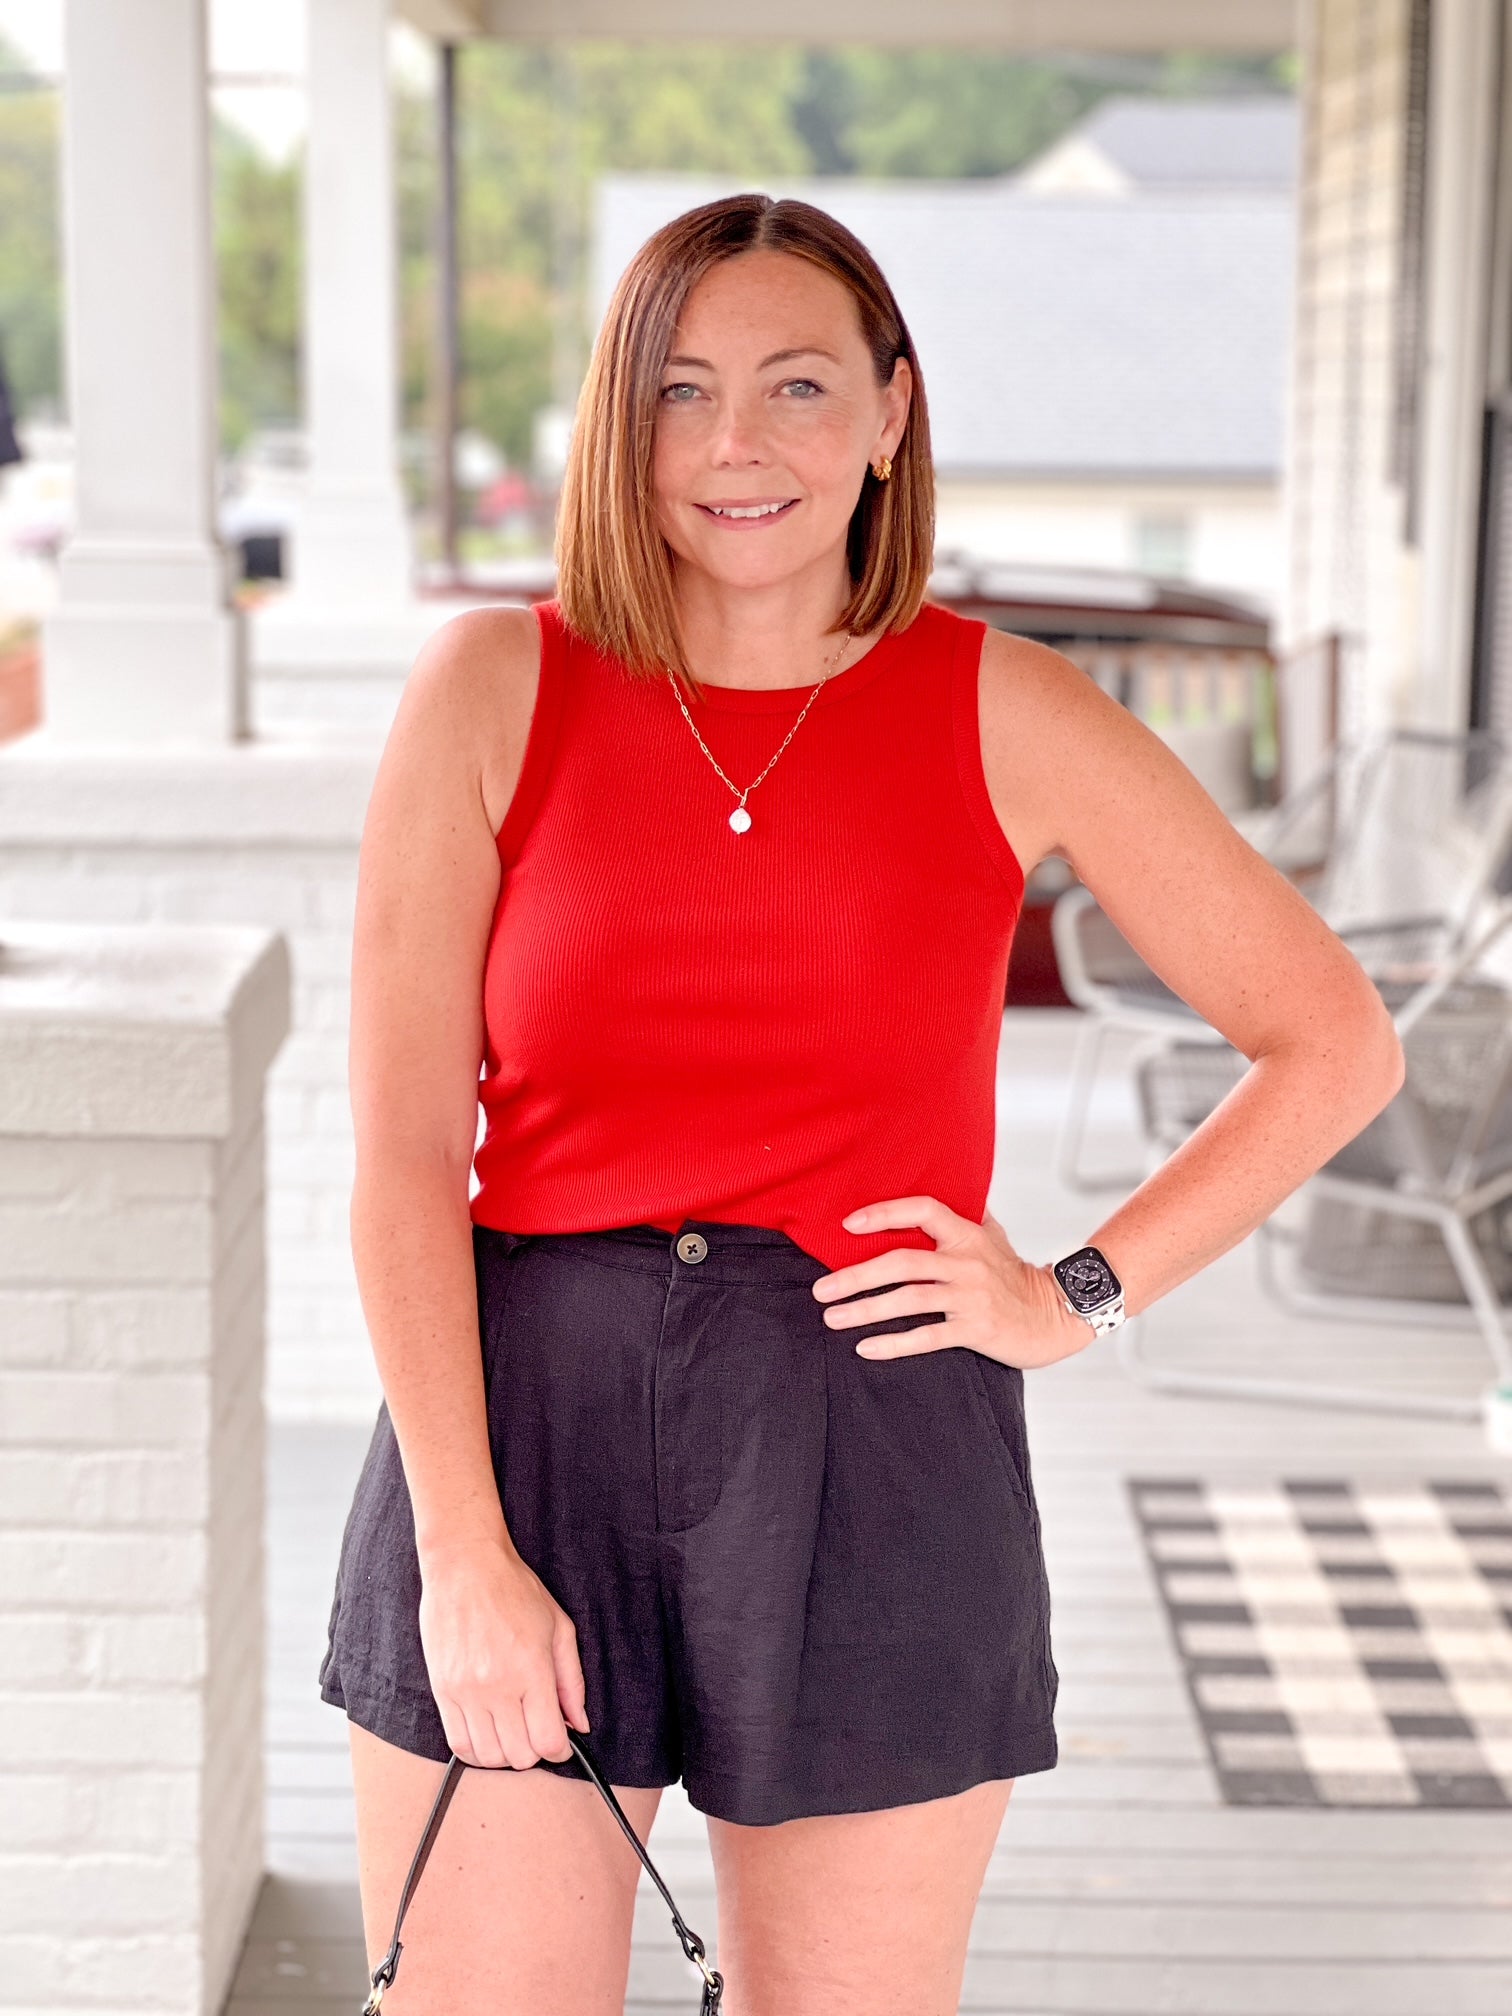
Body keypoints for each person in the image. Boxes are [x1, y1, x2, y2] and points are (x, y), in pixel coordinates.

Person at [317, 192, 1406, 2014]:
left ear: (892, 411)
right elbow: (405, 1154)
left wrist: (1071, 1295)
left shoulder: (1009, 711)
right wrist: (460, 1550)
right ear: (619, 423)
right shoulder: (496, 688)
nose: (735, 445)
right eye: (679, 391)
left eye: (798, 385)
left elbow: (1334, 1039)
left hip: (875, 1429)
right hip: (527, 1428)